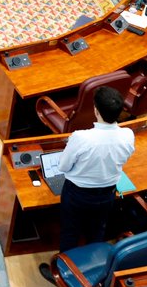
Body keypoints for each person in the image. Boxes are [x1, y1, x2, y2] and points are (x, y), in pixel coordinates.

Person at [39, 87, 134, 266]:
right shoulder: (128, 135)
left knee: (70, 232)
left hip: (77, 194)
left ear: (96, 110)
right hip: (108, 193)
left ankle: (65, 272)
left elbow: (63, 166)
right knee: (98, 230)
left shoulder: (81, 137)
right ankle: (93, 265)